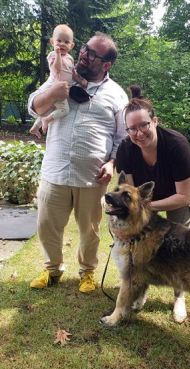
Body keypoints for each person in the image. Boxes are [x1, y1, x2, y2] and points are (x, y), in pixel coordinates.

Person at [28, 32, 128, 293]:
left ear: (106, 64)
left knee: (90, 230)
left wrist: (112, 164)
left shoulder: (116, 94)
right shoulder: (61, 74)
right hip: (54, 172)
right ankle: (52, 269)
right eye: (85, 49)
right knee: (47, 225)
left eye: (92, 54)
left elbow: (122, 137)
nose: (84, 54)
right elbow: (33, 106)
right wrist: (52, 92)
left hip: (92, 178)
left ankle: (87, 273)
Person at [116, 85, 190, 323]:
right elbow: (130, 195)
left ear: (155, 121)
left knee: (177, 242)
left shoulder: (176, 145)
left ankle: (179, 296)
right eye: (131, 128)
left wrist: (149, 208)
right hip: (146, 194)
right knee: (140, 241)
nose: (138, 133)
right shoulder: (125, 149)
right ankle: (140, 288)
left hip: (181, 190)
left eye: (143, 125)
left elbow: (185, 196)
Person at [30, 24, 87, 137]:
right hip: (54, 86)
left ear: (71, 45)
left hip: (63, 87)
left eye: (66, 42)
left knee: (50, 107)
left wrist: (81, 81)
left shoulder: (70, 58)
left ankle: (36, 127)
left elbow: (73, 73)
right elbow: (56, 69)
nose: (62, 44)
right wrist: (57, 54)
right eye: (59, 40)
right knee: (64, 110)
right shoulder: (52, 55)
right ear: (52, 42)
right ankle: (46, 120)